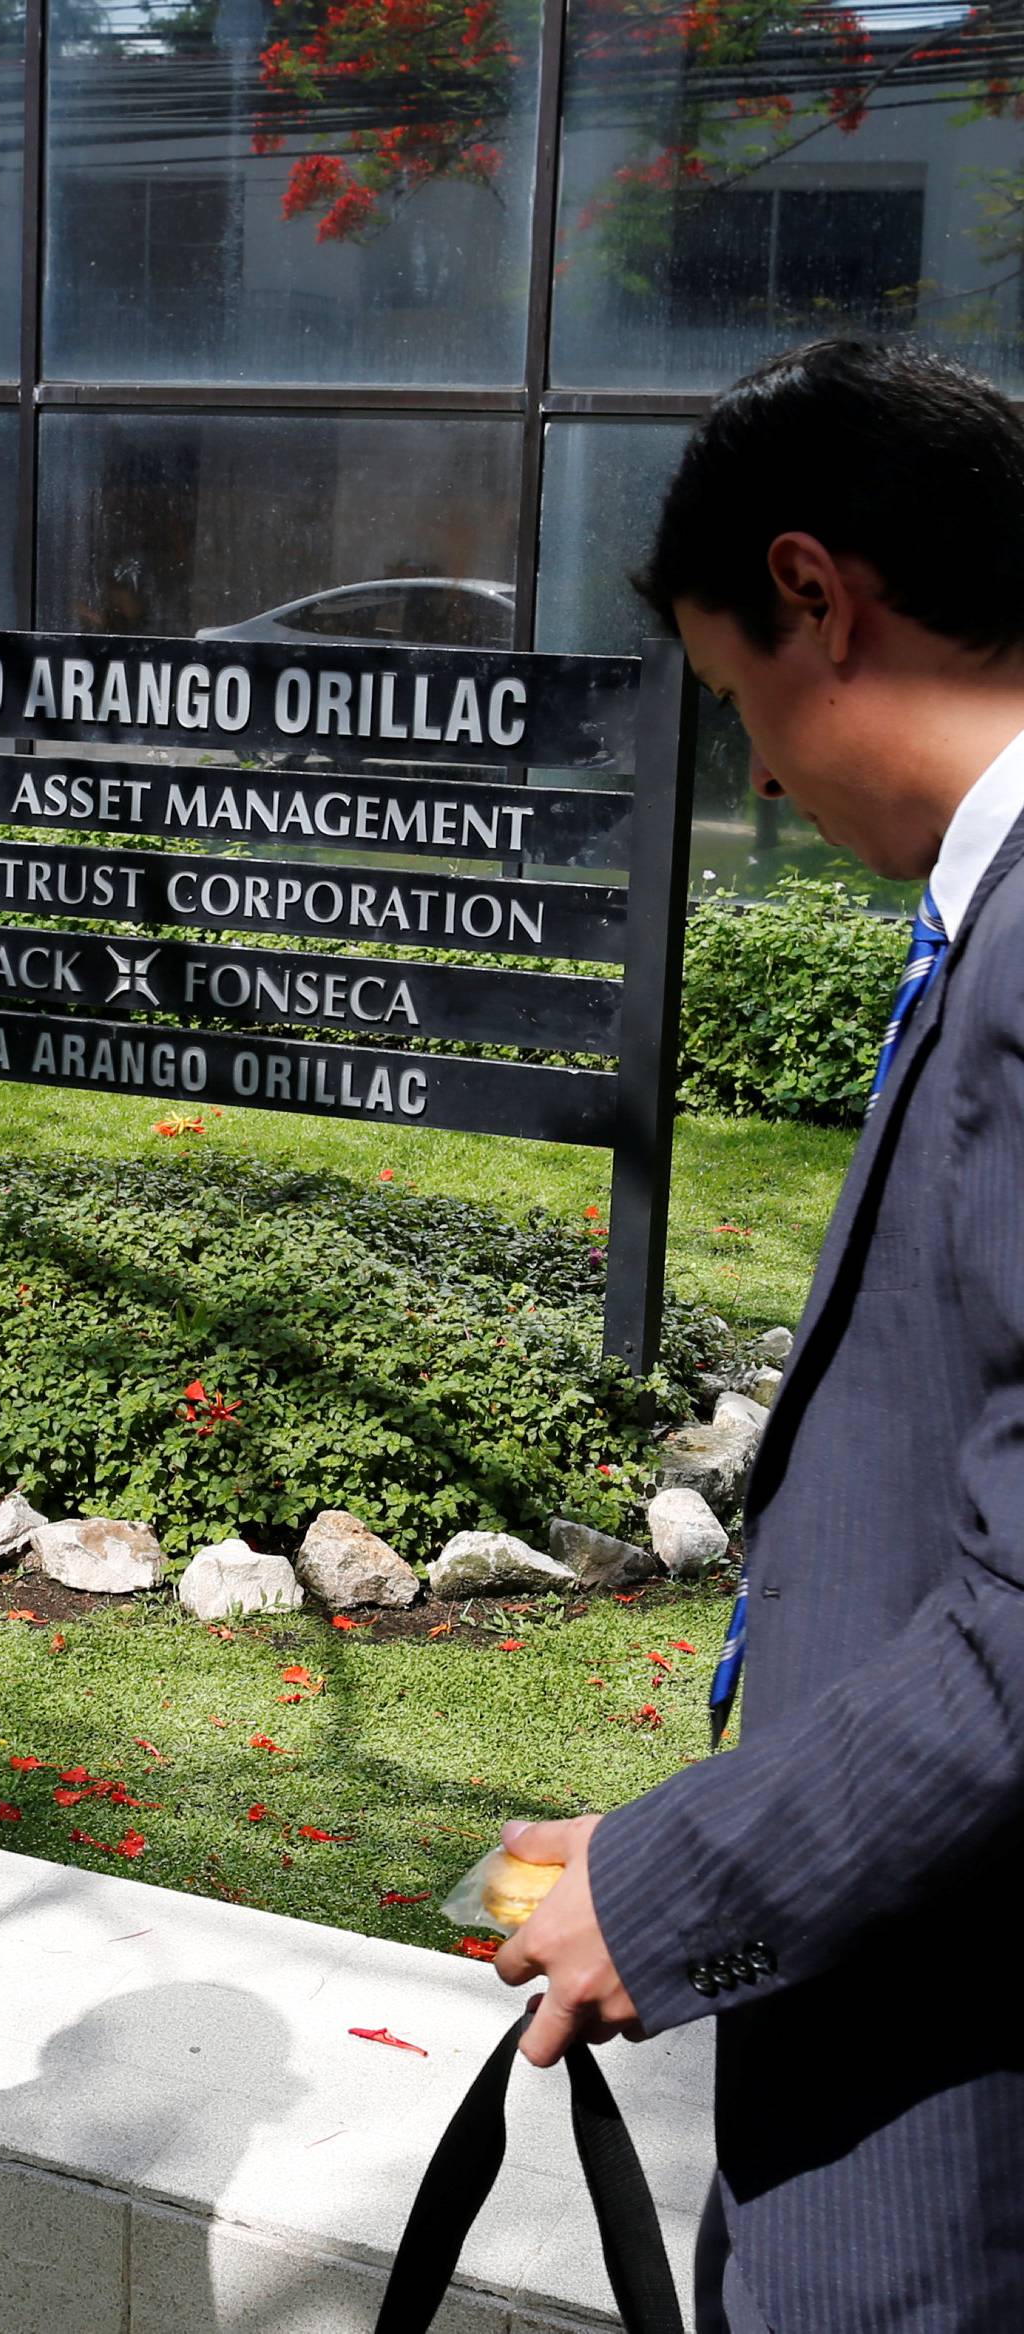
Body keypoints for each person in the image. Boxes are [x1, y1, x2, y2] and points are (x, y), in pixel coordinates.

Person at [492, 337, 1024, 2332]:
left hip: (948, 2140)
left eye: (741, 704)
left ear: (822, 599)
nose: (767, 780)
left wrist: (686, 1881)